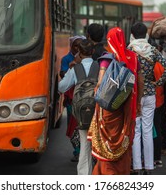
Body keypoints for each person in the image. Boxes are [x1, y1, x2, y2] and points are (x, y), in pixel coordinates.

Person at [87, 27, 144, 175]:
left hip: (109, 111)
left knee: (108, 144)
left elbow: (100, 85)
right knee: (124, 144)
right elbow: (140, 81)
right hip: (127, 109)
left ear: (109, 40)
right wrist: (137, 103)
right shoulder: (134, 57)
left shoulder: (107, 59)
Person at [128, 22, 166, 175]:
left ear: (132, 34)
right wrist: (157, 83)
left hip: (135, 95)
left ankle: (137, 167)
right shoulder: (152, 50)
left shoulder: (130, 50)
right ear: (145, 34)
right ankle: (149, 166)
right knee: (147, 130)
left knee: (136, 130)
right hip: (150, 93)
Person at [58, 39, 98, 175]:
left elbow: (61, 87)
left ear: (79, 53)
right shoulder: (100, 67)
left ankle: (84, 177)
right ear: (93, 52)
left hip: (82, 113)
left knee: (85, 145)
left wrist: (71, 68)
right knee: (99, 145)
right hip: (98, 112)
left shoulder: (75, 68)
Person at [60, 35, 85, 162]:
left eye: (79, 46)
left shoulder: (86, 59)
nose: (77, 48)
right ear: (71, 46)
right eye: (75, 45)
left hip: (84, 98)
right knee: (72, 126)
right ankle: (77, 151)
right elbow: (63, 75)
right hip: (71, 98)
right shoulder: (67, 59)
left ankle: (84, 151)